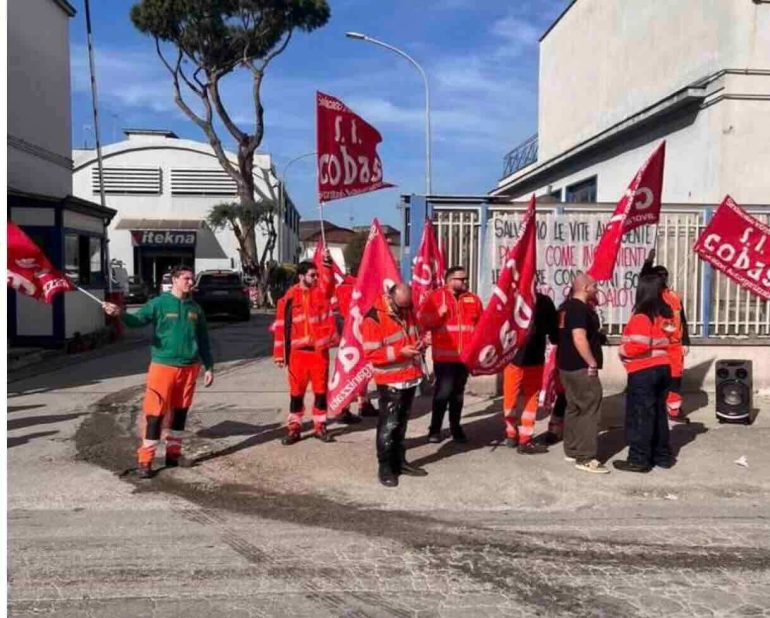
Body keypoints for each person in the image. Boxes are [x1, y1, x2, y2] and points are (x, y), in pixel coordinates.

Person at [102, 265, 214, 479]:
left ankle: (174, 454)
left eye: (192, 279)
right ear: (175, 280)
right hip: (163, 367)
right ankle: (146, 461)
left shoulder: (195, 309)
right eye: (187, 279)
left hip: (190, 367)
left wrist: (209, 366)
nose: (191, 283)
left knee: (180, 413)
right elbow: (137, 321)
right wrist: (120, 313)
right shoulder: (159, 304)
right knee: (155, 414)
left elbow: (204, 340)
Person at [362, 283, 427, 487]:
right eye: (401, 306)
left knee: (402, 423)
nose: (406, 310)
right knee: (389, 425)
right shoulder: (373, 318)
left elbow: (413, 333)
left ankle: (399, 461)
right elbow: (371, 355)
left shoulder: (407, 310)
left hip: (409, 375)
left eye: (408, 306)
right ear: (389, 297)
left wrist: (420, 344)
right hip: (390, 380)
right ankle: (385, 467)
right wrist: (401, 352)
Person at [272, 253, 338, 445]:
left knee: (320, 393)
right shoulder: (288, 299)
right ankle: (294, 429)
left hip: (319, 353)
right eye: (312, 275)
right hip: (298, 355)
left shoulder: (322, 292)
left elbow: (329, 281)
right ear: (301, 276)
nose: (316, 278)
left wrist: (326, 263)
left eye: (317, 275)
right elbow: (280, 327)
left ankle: (320, 427)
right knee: (296, 394)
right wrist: (279, 355)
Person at [614, 274, 675, 472]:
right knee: (658, 414)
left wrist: (622, 350)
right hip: (663, 367)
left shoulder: (642, 316)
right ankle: (662, 456)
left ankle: (639, 459)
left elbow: (639, 345)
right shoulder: (665, 314)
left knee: (640, 416)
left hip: (643, 371)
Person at [418, 266, 483, 444]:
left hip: (464, 358)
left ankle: (456, 427)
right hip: (445, 358)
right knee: (442, 394)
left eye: (465, 279)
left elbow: (480, 326)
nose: (464, 282)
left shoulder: (473, 299)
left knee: (457, 395)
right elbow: (422, 322)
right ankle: (435, 429)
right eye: (461, 279)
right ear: (449, 280)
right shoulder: (436, 297)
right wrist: (439, 315)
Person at [558, 272, 609, 474]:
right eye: (595, 285)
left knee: (574, 408)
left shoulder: (564, 308)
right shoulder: (579, 309)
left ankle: (571, 449)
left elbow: (560, 336)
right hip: (581, 367)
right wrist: (592, 362)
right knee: (590, 409)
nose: (597, 289)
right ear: (585, 287)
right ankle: (586, 457)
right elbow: (579, 337)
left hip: (565, 366)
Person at [502, 292, 559, 454]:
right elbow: (553, 332)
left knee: (512, 396)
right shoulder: (543, 301)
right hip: (528, 357)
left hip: (515, 357)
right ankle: (522, 437)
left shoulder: (511, 300)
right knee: (526, 397)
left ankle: (513, 433)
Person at [641, 250, 691, 421]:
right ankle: (656, 408)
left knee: (675, 377)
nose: (663, 278)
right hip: (658, 345)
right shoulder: (650, 296)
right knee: (657, 378)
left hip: (675, 345)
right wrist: (648, 262)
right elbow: (642, 280)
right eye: (659, 276)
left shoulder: (674, 296)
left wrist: (686, 342)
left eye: (665, 275)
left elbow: (682, 319)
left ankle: (674, 410)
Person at [334, 273, 378, 422]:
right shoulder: (358, 288)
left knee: (357, 370)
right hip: (356, 333)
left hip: (352, 333)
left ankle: (362, 403)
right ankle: (345, 407)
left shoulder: (343, 287)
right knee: (354, 370)